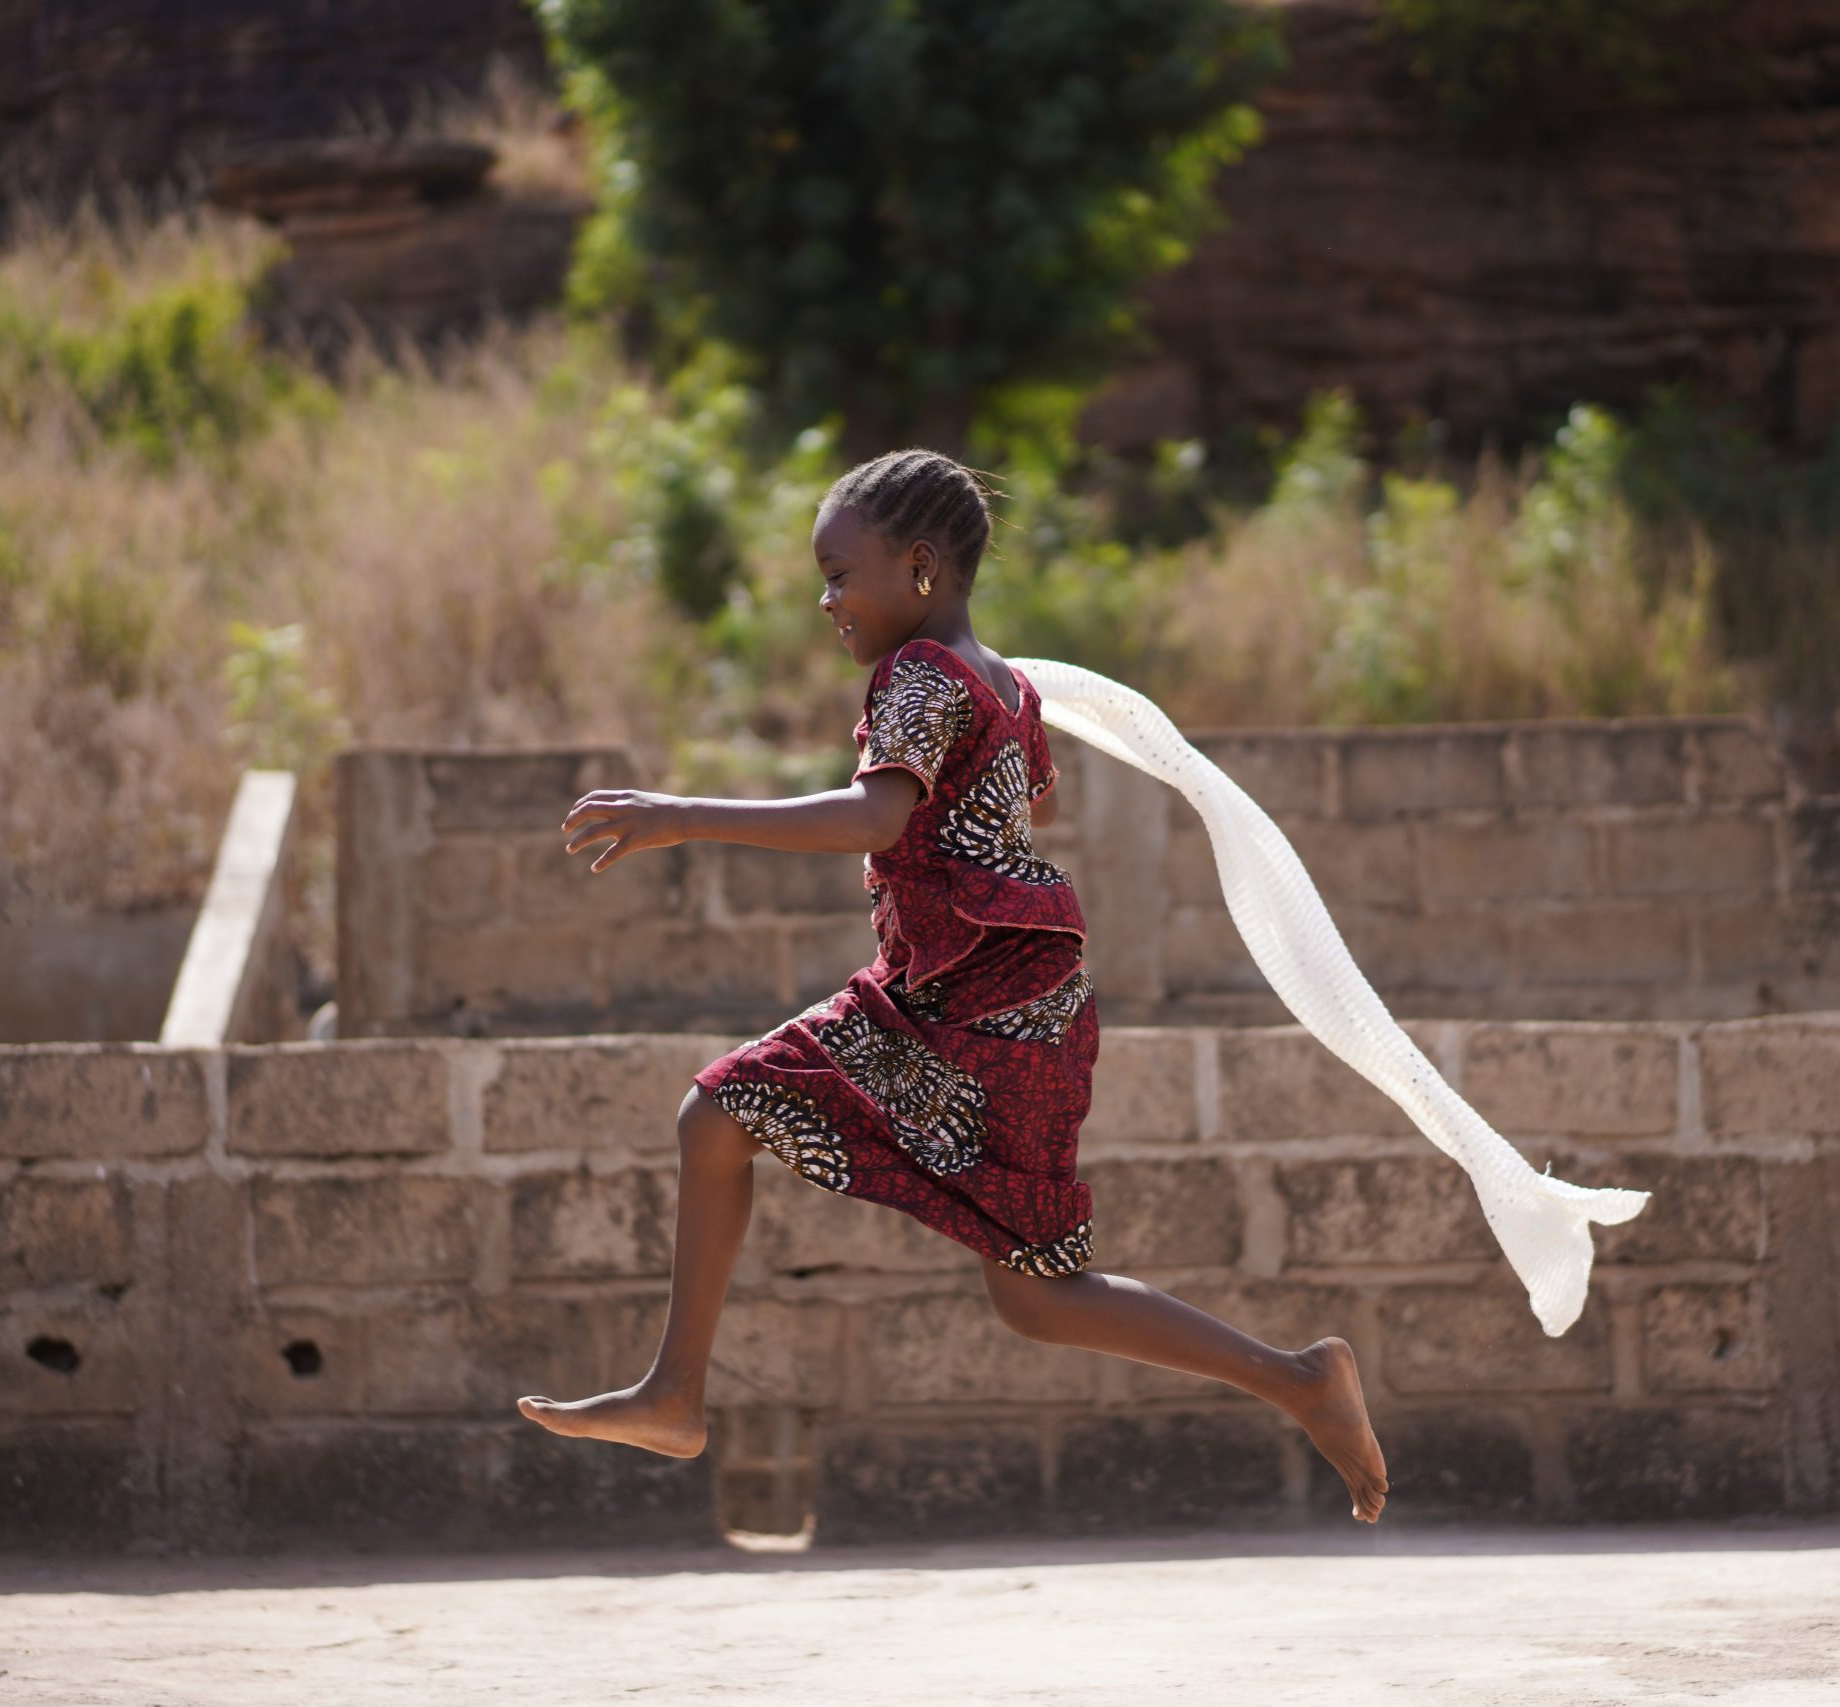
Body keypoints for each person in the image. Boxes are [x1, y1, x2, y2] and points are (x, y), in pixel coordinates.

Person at [517, 449, 1387, 1522]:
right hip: (1002, 1003)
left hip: (980, 1006)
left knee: (732, 1121)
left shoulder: (924, 676)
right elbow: (1032, 809)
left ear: (921, 570)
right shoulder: (1004, 683)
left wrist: (684, 814)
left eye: (839, 575)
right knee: (1029, 1292)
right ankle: (1299, 1381)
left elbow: (877, 818)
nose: (827, 601)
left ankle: (674, 1393)